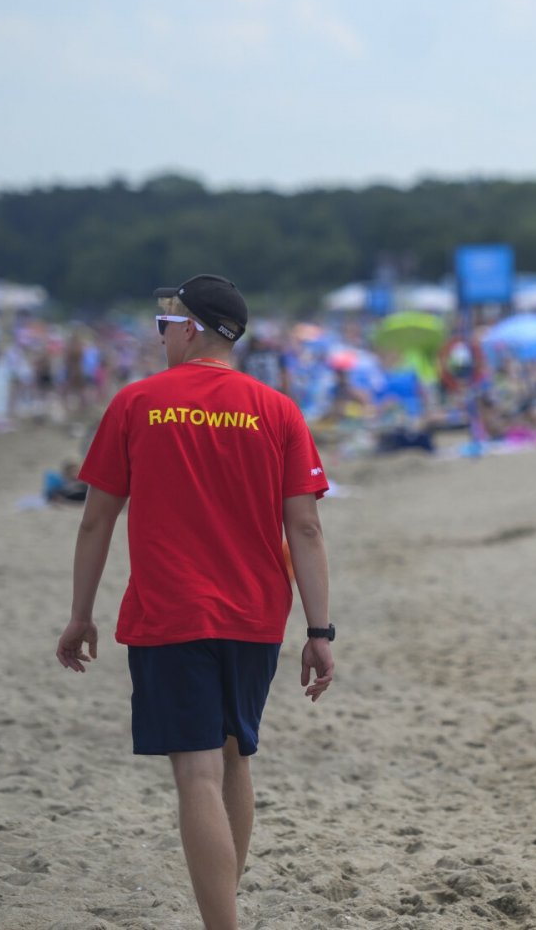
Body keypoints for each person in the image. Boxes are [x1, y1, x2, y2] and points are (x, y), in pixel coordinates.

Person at [55, 274, 335, 930]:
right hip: (256, 613)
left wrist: (80, 614)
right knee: (235, 758)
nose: (160, 336)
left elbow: (96, 521)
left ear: (191, 328)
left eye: (165, 323)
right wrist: (320, 630)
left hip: (171, 610)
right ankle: (223, 910)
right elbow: (306, 528)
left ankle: (221, 923)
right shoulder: (277, 410)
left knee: (197, 774)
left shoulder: (137, 402)